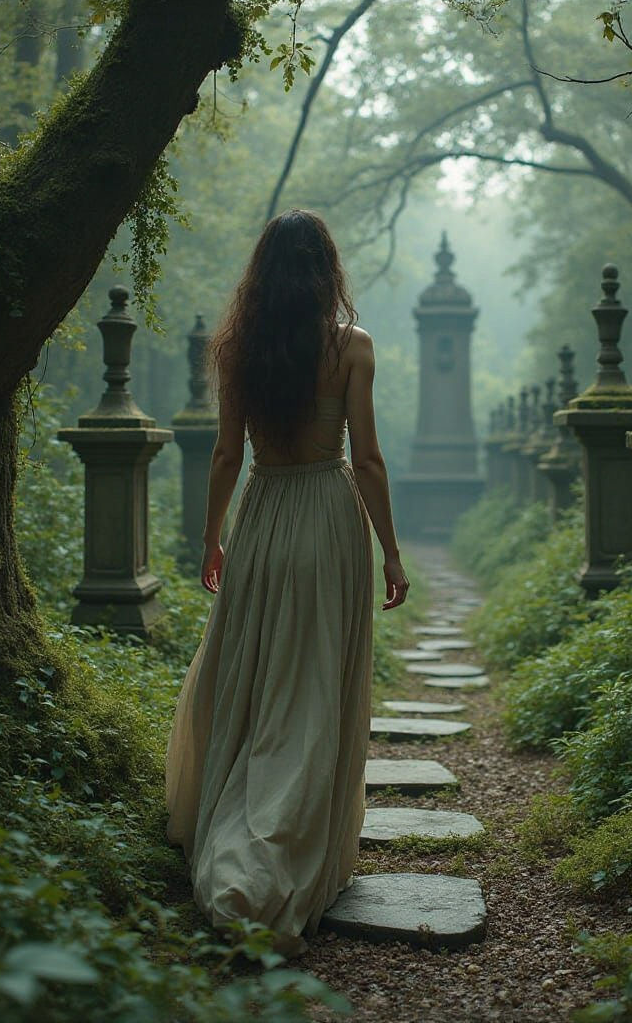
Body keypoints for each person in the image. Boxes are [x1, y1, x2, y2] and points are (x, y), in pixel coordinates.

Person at [164, 209, 409, 955]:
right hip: (330, 519)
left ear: (262, 273)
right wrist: (392, 553)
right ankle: (281, 852)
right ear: (327, 270)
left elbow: (223, 456)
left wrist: (211, 539)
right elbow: (366, 460)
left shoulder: (239, 348)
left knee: (257, 669)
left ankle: (238, 831)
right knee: (314, 684)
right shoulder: (352, 348)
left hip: (264, 515)